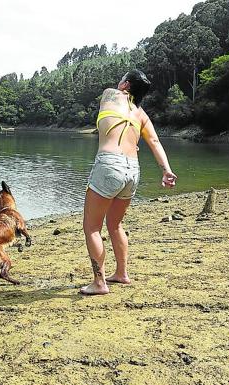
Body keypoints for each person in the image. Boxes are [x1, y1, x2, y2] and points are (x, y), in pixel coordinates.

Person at [81, 69, 177, 295]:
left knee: (92, 227)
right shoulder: (141, 114)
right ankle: (121, 274)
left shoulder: (110, 95)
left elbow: (114, 99)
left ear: (125, 85)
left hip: (109, 164)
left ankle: (99, 282)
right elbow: (154, 141)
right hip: (132, 169)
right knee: (115, 225)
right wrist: (166, 171)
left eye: (121, 78)